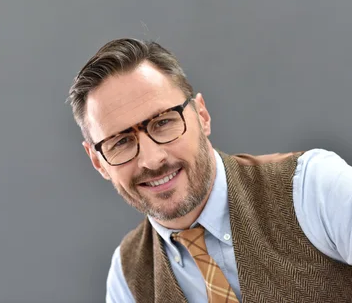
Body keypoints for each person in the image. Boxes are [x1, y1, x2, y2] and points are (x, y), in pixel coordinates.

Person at [66, 38, 352, 302]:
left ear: (202, 116)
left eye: (163, 122)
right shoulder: (126, 279)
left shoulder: (312, 188)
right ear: (98, 161)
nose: (152, 160)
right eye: (122, 142)